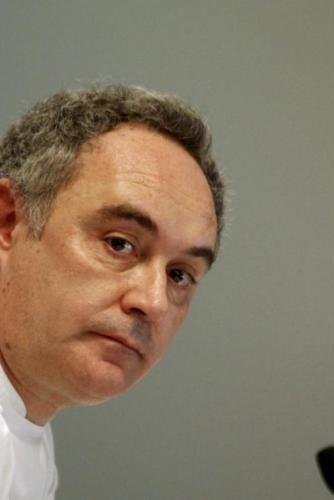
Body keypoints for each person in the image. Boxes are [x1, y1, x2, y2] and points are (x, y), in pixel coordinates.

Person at [0, 85, 226, 499]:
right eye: (120, 244)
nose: (153, 302)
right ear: (8, 220)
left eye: (179, 275)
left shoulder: (26, 432)